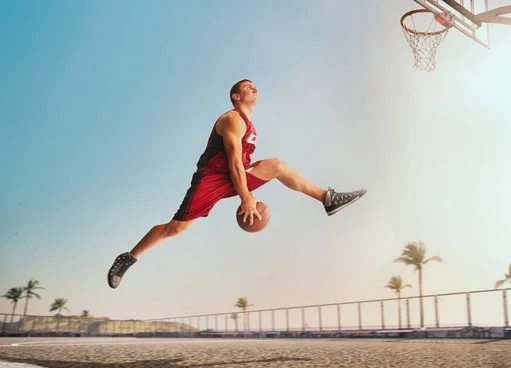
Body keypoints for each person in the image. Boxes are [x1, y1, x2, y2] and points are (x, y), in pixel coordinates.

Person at [107, 79, 367, 289]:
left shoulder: (250, 125)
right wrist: (246, 197)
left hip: (237, 175)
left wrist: (246, 190)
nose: (254, 88)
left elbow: (241, 167)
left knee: (276, 165)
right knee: (175, 228)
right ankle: (128, 258)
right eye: (247, 86)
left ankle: (327, 199)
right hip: (212, 178)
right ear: (235, 96)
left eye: (255, 86)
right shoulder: (232, 119)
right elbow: (232, 164)